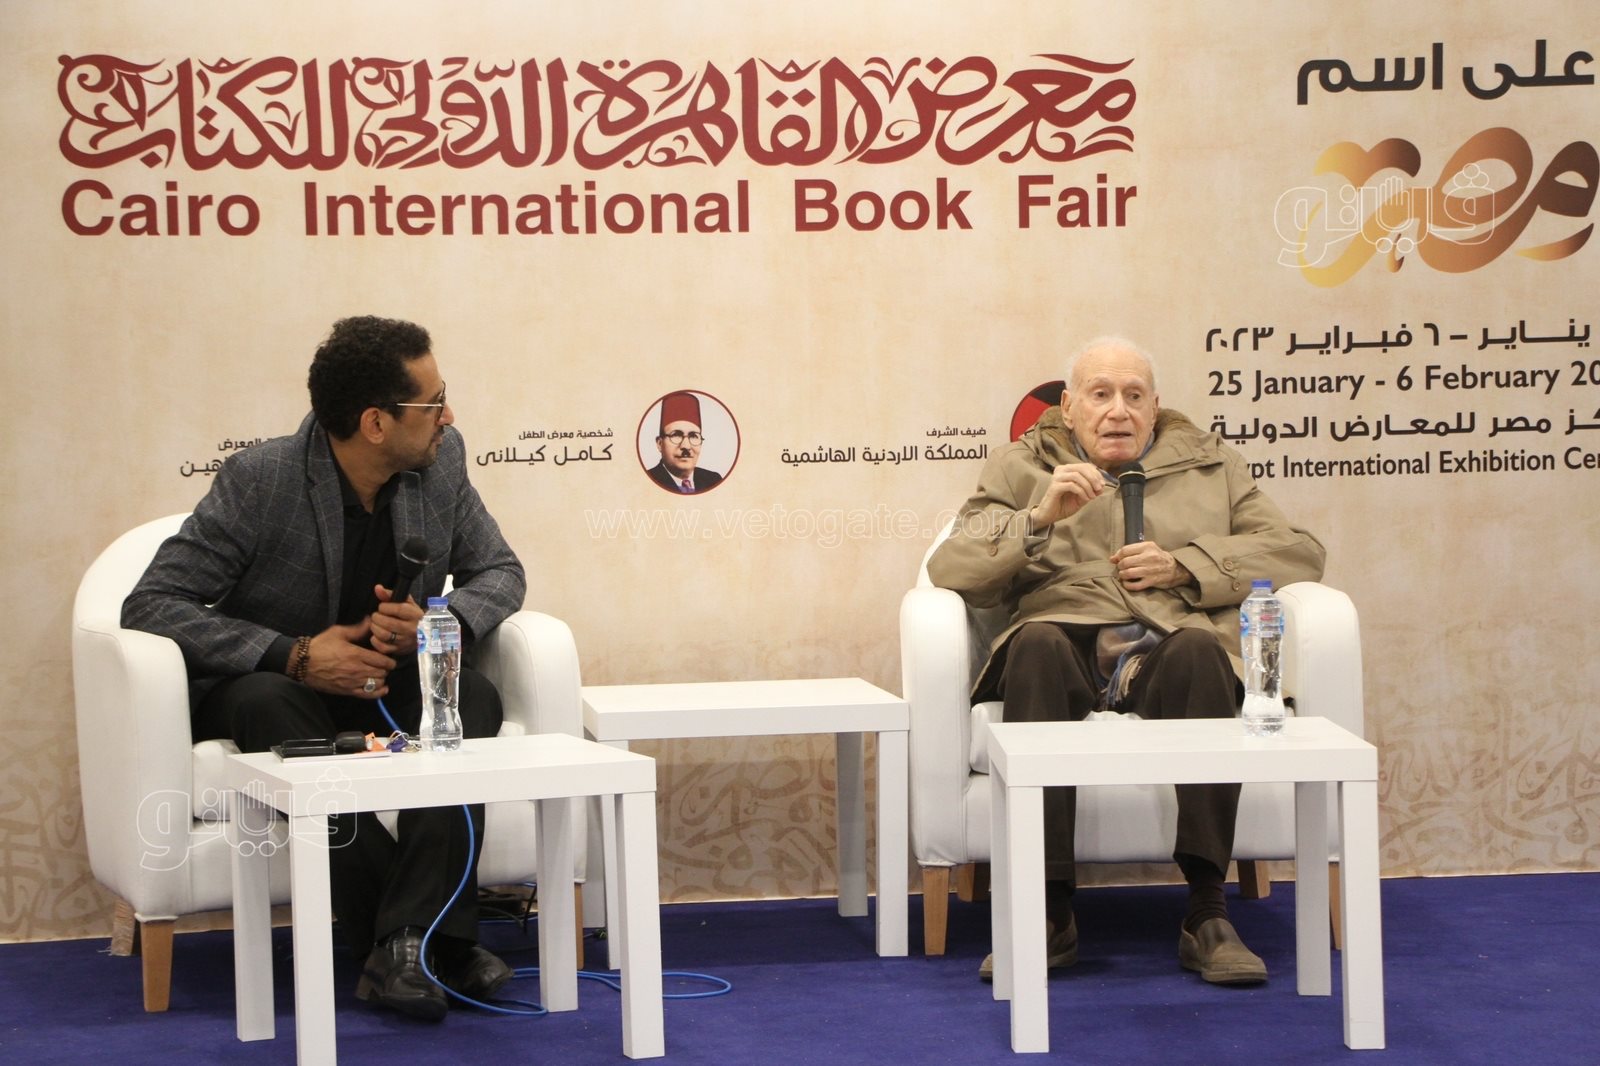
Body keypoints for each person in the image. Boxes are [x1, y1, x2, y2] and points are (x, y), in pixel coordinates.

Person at [122, 316, 527, 1021]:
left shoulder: (442, 462)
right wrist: (296, 655)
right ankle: (438, 943)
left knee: (473, 698)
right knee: (268, 701)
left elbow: (500, 570)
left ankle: (404, 944)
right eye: (433, 403)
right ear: (375, 423)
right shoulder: (263, 480)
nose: (449, 416)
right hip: (277, 688)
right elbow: (152, 603)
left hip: (384, 682)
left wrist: (439, 624)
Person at [927, 336, 1326, 986]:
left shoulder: (1210, 463)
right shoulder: (1020, 465)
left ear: (1155, 406)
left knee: (1202, 652)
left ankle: (1207, 911)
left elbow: (1298, 551)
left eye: (1134, 396)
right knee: (1034, 646)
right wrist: (1038, 518)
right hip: (1063, 635)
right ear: (1068, 407)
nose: (1118, 411)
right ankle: (1047, 911)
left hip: (1166, 637)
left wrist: (1187, 565)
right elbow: (952, 566)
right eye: (1101, 394)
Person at [645, 391, 724, 493]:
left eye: (693, 436)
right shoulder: (646, 481)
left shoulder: (713, 480)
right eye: (676, 435)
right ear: (660, 443)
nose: (686, 446)